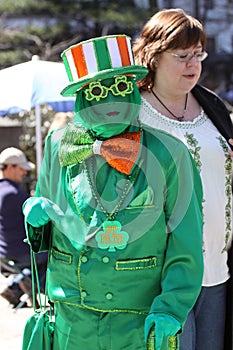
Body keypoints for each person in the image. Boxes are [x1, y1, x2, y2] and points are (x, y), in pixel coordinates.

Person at [22, 34, 204, 350]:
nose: (109, 102)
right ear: (80, 97)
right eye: (95, 91)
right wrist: (35, 215)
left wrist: (171, 307)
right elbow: (46, 219)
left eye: (119, 88)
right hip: (71, 321)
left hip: (138, 322)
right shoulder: (57, 146)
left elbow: (185, 241)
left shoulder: (171, 154)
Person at [133, 8, 233, 350]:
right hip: (159, 278)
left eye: (198, 54)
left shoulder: (214, 107)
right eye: (181, 56)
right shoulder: (131, 114)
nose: (193, 64)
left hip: (218, 272)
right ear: (153, 56)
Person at [0, 147, 47, 308]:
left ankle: (15, 288)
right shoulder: (14, 194)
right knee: (52, 254)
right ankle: (53, 294)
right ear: (10, 167)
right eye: (22, 168)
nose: (24, 173)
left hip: (4, 253)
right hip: (20, 252)